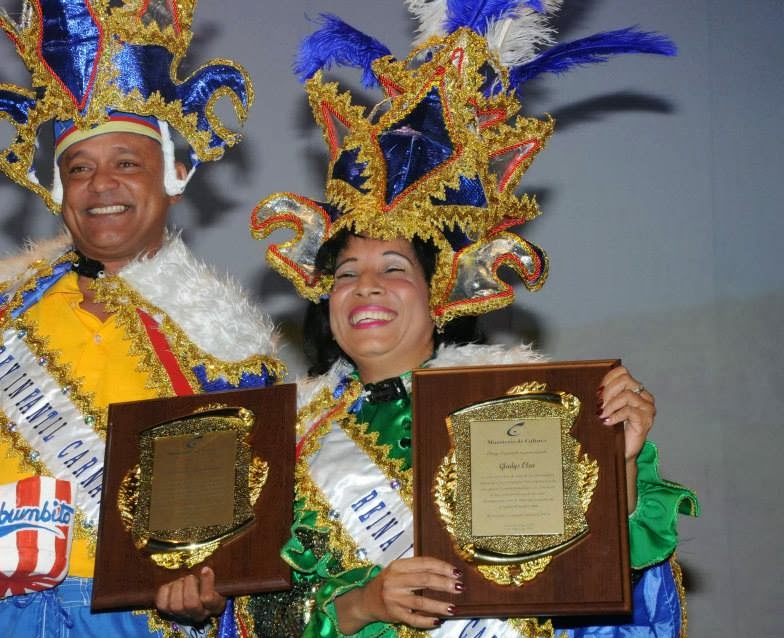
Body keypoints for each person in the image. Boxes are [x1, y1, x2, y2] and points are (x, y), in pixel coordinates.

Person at [0, 2, 282, 637]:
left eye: (126, 163)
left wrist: (209, 597)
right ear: (58, 189)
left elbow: (240, 552)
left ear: (175, 174)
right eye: (80, 168)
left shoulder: (226, 347)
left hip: (134, 622)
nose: (101, 185)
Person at [247, 5, 697, 637]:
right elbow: (255, 617)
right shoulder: (288, 438)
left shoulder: (524, 409)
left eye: (394, 268)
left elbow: (600, 582)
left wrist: (614, 461)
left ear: (443, 292)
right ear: (326, 295)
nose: (366, 286)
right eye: (346, 272)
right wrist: (363, 604)